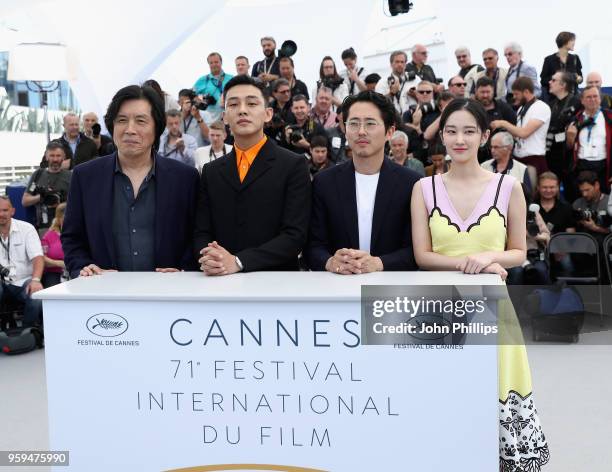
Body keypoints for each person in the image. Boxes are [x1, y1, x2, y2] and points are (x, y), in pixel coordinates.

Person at [410, 98, 549, 472]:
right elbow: (423, 256)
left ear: (485, 136)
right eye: (451, 131)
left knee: (495, 404)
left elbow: (519, 252)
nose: (459, 139)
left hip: (493, 307)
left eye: (469, 131)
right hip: (438, 312)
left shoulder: (509, 187)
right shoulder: (424, 188)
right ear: (441, 136)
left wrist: (490, 258)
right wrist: (470, 263)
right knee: (442, 414)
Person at [61, 84, 200, 278]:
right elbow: (72, 237)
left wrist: (184, 272)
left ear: (157, 127)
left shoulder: (185, 178)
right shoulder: (85, 176)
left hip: (170, 295)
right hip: (104, 296)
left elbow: (198, 235)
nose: (130, 129)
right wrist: (84, 267)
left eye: (141, 121)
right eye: (122, 120)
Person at [194, 75, 311, 274]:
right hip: (220, 282)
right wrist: (209, 257)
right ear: (224, 117)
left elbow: (295, 236)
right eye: (233, 104)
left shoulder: (293, 165)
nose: (242, 110)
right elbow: (201, 231)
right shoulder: (211, 171)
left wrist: (239, 262)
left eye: (251, 103)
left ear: (267, 114)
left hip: (276, 282)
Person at [308, 90, 420, 272]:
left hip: (391, 290)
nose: (361, 131)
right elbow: (313, 246)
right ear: (344, 129)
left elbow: (415, 250)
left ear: (389, 131)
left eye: (370, 123)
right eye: (353, 124)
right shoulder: (324, 182)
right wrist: (330, 262)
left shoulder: (411, 183)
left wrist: (379, 263)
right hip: (337, 287)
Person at [491, 77, 551, 175]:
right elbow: (517, 134)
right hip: (519, 159)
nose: (514, 97)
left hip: (534, 159)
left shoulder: (541, 107)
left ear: (526, 92)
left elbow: (524, 133)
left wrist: (503, 123)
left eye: (516, 94)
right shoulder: (521, 109)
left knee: (530, 190)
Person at [0, 196, 44, 328]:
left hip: (23, 280)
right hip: (1, 282)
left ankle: (27, 332)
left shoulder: (27, 228)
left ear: (12, 211)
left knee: (36, 295)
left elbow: (38, 257)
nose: (1, 214)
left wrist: (36, 280)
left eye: (5, 210)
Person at [566, 86, 612, 194]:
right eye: (588, 97)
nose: (592, 99)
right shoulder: (575, 119)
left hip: (603, 167)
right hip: (581, 167)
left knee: (603, 203)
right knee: (582, 200)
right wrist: (570, 140)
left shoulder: (609, 117)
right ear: (582, 100)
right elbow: (568, 148)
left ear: (600, 99)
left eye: (595, 96)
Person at [22, 141, 71, 233]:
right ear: (46, 156)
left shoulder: (70, 176)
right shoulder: (38, 175)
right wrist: (42, 196)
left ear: (63, 157)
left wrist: (62, 201)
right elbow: (25, 201)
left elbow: (79, 202)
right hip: (44, 227)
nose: (55, 159)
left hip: (65, 226)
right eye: (52, 155)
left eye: (58, 155)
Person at [545, 71, 581, 180]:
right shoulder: (551, 104)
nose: (549, 82)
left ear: (563, 85)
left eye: (554, 80)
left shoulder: (576, 102)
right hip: (551, 153)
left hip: (568, 154)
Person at [482, 131, 533, 195]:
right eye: (491, 147)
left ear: (509, 148)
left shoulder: (521, 169)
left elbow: (527, 196)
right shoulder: (484, 166)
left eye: (496, 147)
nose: (492, 150)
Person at [375, 50, 421, 114]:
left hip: (413, 118)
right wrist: (391, 93)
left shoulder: (416, 79)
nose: (400, 64)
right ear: (391, 64)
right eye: (397, 62)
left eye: (402, 62)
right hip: (393, 119)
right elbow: (378, 104)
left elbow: (426, 101)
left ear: (405, 64)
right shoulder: (383, 82)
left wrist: (416, 95)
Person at [540, 31, 583, 98]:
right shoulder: (549, 60)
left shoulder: (575, 58)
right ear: (565, 41)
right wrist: (557, 78)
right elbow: (543, 81)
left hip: (572, 98)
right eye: (572, 40)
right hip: (554, 99)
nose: (574, 43)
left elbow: (580, 79)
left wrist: (578, 78)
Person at [572, 170, 610, 243]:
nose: (584, 194)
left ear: (597, 185)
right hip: (583, 247)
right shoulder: (577, 204)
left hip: (606, 248)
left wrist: (595, 228)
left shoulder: (609, 202)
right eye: (581, 191)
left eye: (587, 190)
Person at [193, 52, 233, 121]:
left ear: (221, 62)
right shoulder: (203, 80)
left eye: (216, 62)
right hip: (210, 120)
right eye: (211, 63)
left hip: (229, 118)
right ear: (208, 64)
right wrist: (201, 99)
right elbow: (191, 96)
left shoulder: (231, 78)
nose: (214, 65)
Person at [41, 202, 66, 288]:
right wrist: (59, 263)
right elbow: (41, 258)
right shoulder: (48, 236)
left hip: (77, 270)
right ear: (59, 219)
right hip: (54, 272)